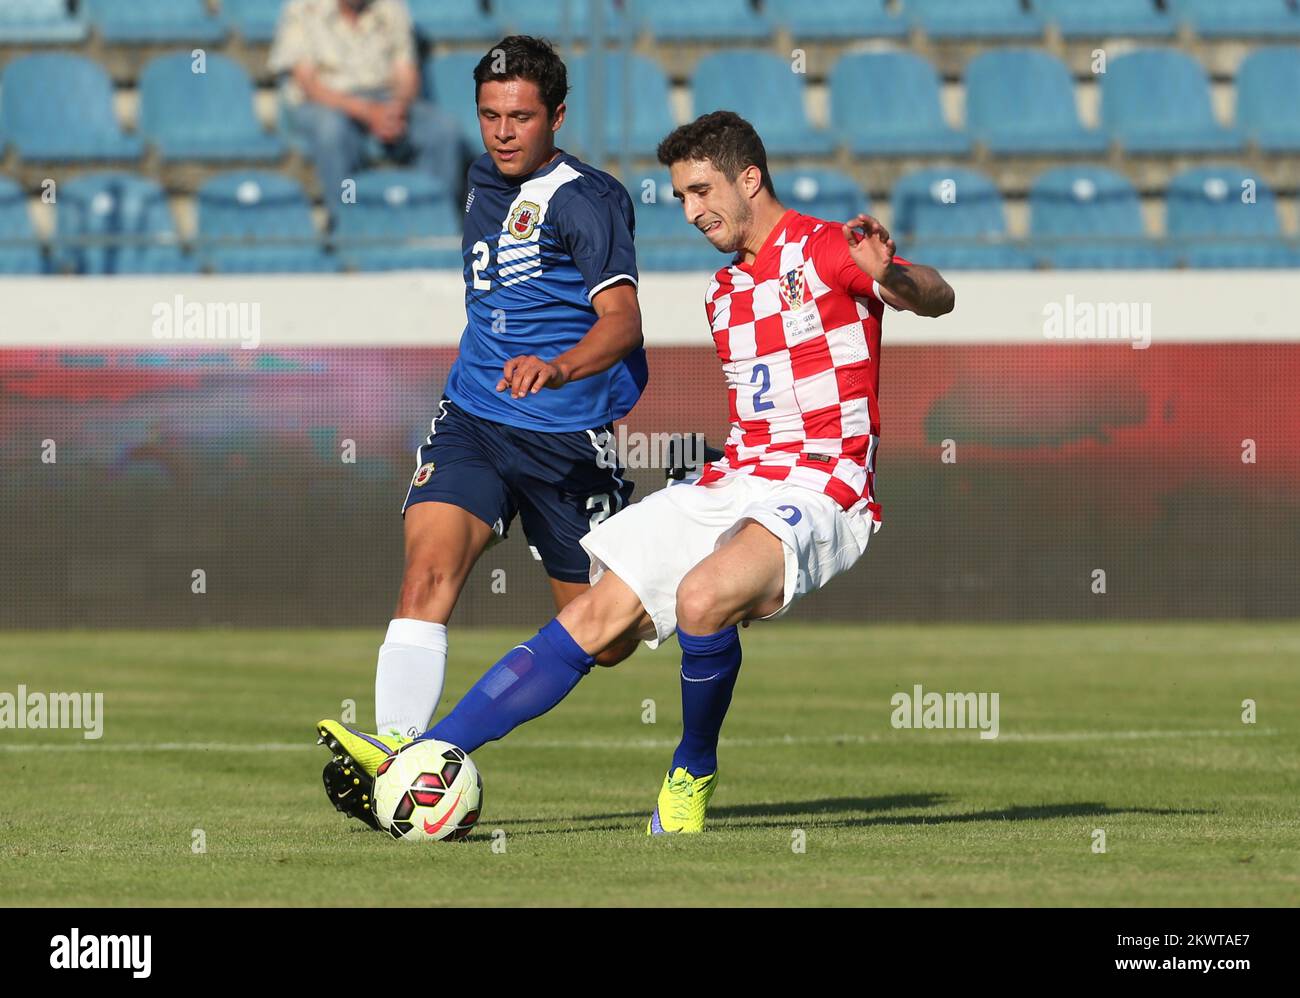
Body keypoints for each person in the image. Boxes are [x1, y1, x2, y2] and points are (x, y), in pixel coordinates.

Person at [320, 109, 955, 834]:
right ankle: (423, 757)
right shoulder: (725, 293)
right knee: (591, 617)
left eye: (701, 191)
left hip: (824, 487)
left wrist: (895, 274)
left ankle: (692, 770)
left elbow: (933, 297)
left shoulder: (826, 249)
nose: (690, 211)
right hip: (739, 476)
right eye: (682, 197)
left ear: (750, 178)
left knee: (701, 598)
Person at [316, 36, 646, 826]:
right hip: (473, 416)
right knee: (426, 575)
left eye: (521, 117)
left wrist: (560, 367)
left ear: (556, 116)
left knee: (607, 639)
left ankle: (682, 568)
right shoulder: (480, 178)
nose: (503, 131)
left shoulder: (587, 199)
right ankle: (399, 760)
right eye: (490, 115)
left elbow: (624, 322)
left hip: (568, 438)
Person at [270, 0, 464, 215]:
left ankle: (434, 217)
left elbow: (406, 73)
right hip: (325, 102)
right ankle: (346, 215)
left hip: (385, 98)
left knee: (442, 130)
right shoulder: (302, 8)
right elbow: (308, 84)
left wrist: (396, 108)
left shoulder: (392, 8)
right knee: (333, 133)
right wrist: (367, 112)